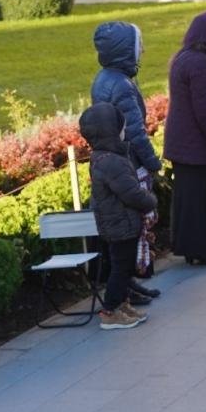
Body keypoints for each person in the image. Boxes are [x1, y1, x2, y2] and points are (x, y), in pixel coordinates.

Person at [90, 20, 164, 279]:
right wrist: (153, 163)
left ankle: (129, 285)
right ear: (124, 49)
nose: (142, 51)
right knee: (135, 226)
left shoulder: (105, 78)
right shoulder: (121, 84)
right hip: (129, 164)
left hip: (119, 161)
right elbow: (135, 132)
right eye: (138, 45)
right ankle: (130, 283)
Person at [164, 12, 206, 265]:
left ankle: (192, 249)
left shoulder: (184, 58)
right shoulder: (201, 64)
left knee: (188, 199)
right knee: (197, 199)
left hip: (182, 142)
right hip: (194, 144)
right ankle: (201, 250)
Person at [79, 102, 155, 330]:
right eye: (121, 127)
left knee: (123, 266)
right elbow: (131, 193)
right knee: (121, 269)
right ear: (111, 131)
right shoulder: (112, 161)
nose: (124, 131)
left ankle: (122, 304)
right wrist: (150, 201)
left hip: (119, 223)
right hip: (121, 224)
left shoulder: (104, 157)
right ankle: (110, 311)